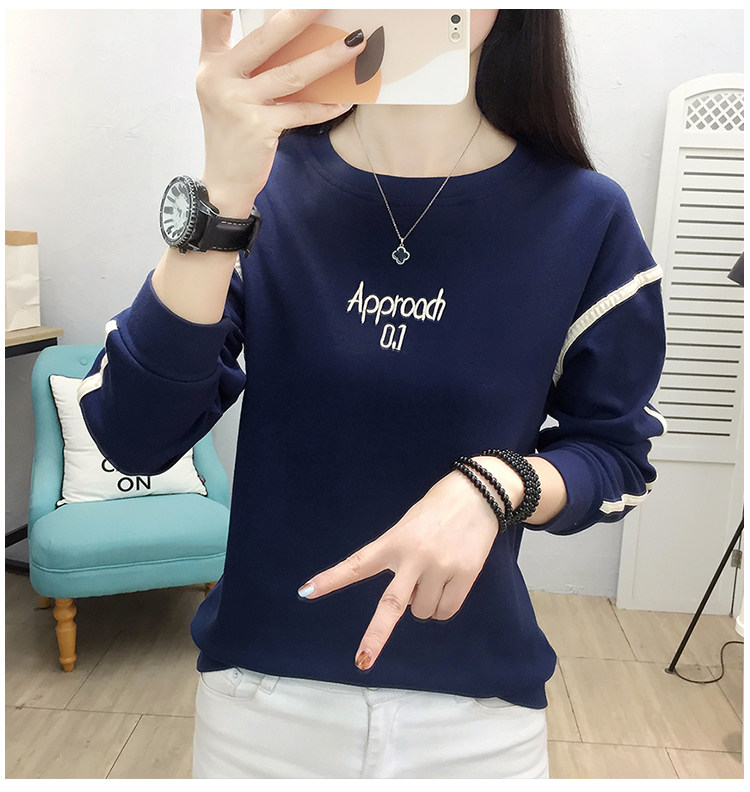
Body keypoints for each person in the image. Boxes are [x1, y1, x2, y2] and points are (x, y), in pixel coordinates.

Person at [78, 9, 667, 779]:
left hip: (476, 724)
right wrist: (221, 196)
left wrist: (498, 484)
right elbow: (132, 436)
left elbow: (618, 457)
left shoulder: (587, 217)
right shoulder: (262, 190)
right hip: (260, 709)